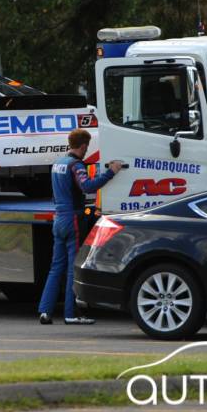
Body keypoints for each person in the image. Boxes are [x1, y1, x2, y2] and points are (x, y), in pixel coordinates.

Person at [38, 128, 122, 325]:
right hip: (73, 219)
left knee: (55, 267)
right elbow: (87, 186)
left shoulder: (58, 163)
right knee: (72, 268)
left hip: (59, 218)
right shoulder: (76, 165)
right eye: (87, 147)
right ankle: (71, 314)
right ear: (83, 146)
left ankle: (45, 311)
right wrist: (111, 172)